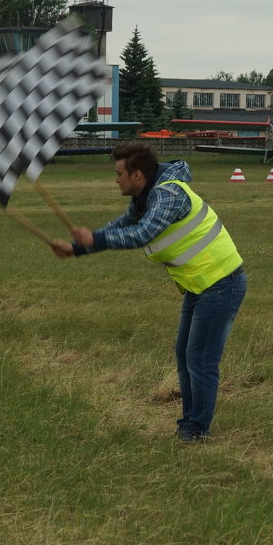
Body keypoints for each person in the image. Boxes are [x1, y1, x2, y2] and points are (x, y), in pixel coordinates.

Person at [50, 143, 247, 443]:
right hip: (200, 284)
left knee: (200, 361)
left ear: (137, 174)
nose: (115, 180)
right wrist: (78, 248)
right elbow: (124, 225)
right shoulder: (144, 196)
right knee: (185, 356)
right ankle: (189, 426)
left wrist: (97, 239)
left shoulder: (167, 195)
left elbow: (143, 233)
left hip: (221, 283)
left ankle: (196, 432)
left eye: (119, 174)